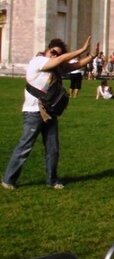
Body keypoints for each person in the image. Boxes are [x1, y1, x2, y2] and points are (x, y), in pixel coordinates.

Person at [2, 36, 94, 190]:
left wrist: (91, 56)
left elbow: (74, 65)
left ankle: (52, 179)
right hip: (33, 112)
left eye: (57, 54)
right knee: (25, 146)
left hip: (49, 112)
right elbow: (60, 61)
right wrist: (81, 50)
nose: (55, 55)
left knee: (53, 148)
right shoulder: (38, 61)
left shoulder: (54, 66)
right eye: (53, 52)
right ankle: (8, 179)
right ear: (47, 50)